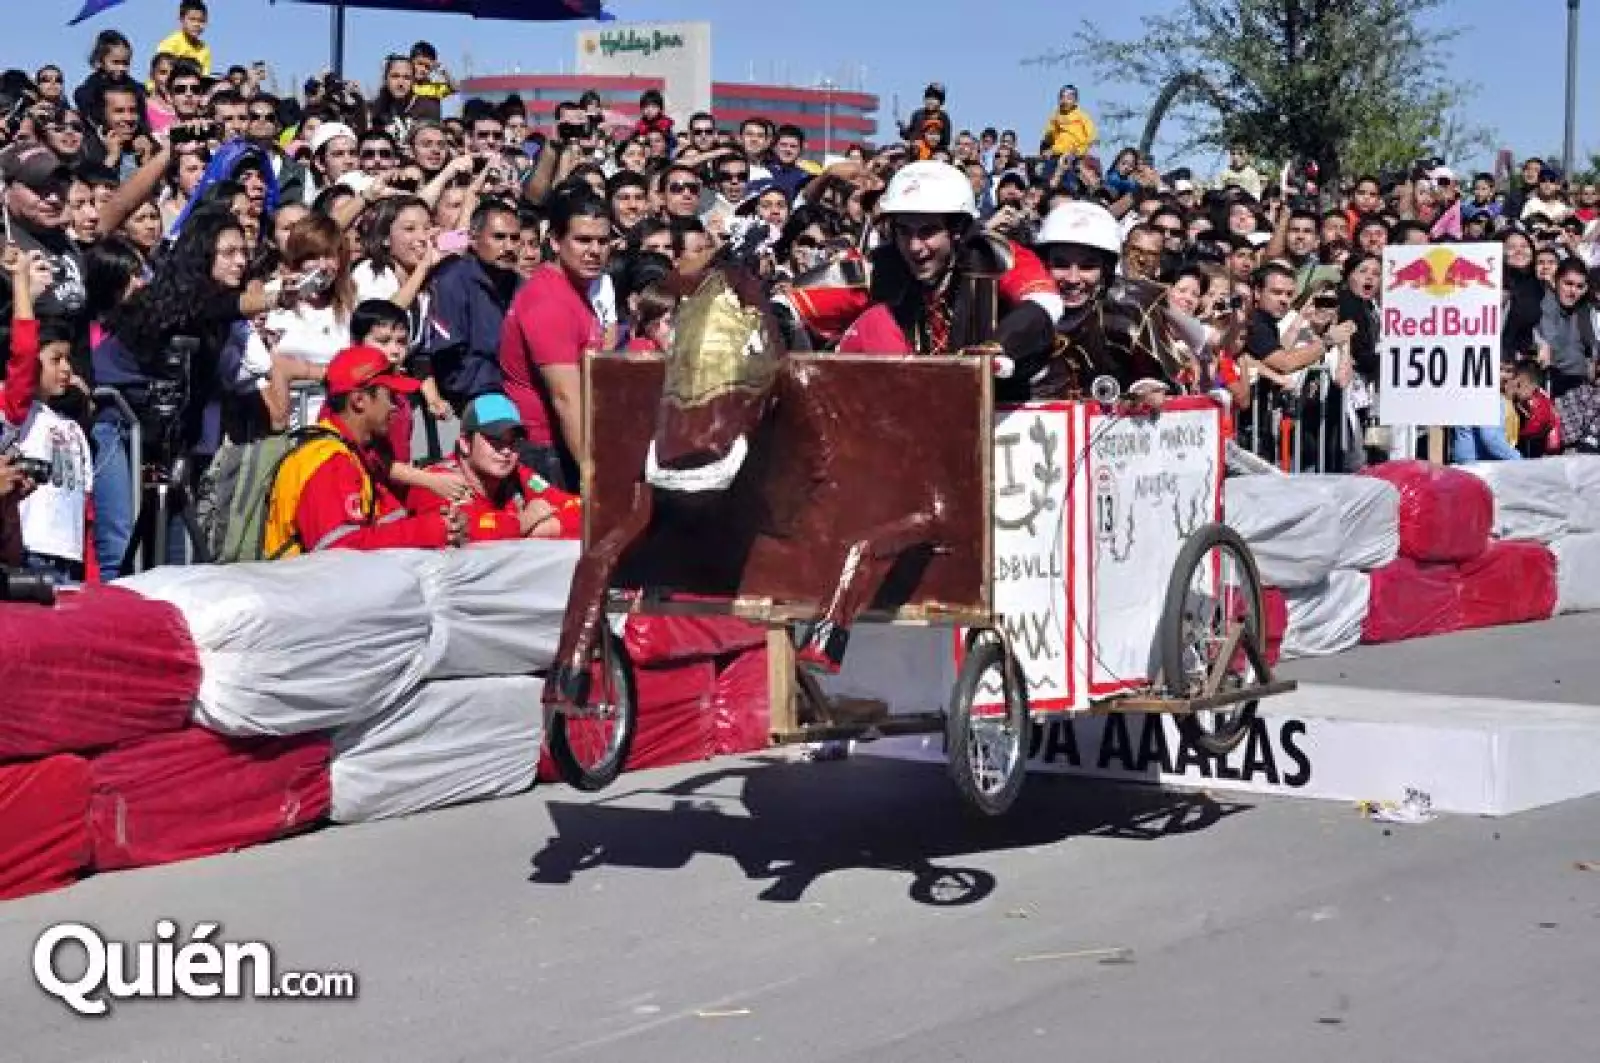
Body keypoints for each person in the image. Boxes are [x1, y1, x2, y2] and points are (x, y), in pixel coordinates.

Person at [836, 161, 1061, 401]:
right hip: (915, 407)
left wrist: (997, 349)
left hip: (997, 404)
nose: (914, 247)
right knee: (874, 321)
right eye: (904, 231)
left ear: (958, 229)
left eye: (927, 231)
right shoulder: (881, 264)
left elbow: (1045, 303)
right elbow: (806, 299)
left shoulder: (996, 256)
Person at [264, 344, 466, 557]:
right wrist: (426, 531)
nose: (395, 406)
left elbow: (388, 523)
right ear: (359, 401)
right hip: (299, 585)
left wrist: (442, 524)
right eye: (389, 396)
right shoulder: (327, 460)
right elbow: (338, 552)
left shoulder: (358, 452)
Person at [499, 191, 610, 489]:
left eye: (602, 241)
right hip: (546, 451)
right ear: (555, 242)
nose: (594, 250)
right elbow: (566, 399)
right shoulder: (549, 301)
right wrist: (597, 477)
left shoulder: (572, 290)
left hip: (562, 445)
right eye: (583, 240)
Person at [2, 247, 93, 584]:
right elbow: (24, 354)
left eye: (69, 360)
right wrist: (21, 283)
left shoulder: (71, 428)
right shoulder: (17, 414)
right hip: (30, 554)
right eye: (55, 360)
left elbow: (85, 512)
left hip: (70, 560)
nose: (67, 369)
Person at [411, 393, 581, 542]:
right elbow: (459, 533)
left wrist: (546, 528)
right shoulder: (435, 483)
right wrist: (522, 522)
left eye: (513, 441)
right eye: (495, 440)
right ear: (464, 443)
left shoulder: (517, 474)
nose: (506, 451)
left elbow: (582, 510)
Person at [155, 0, 213, 82]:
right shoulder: (171, 43)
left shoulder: (204, 49)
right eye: (192, 20)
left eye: (201, 21)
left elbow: (204, 77)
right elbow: (162, 73)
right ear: (181, 19)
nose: (196, 24)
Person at [1039, 85, 1097, 160]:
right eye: (1062, 97)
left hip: (1074, 153)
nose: (1065, 101)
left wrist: (1079, 151)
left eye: (1069, 98)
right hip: (1057, 152)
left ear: (1075, 101)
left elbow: (1092, 136)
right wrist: (1046, 150)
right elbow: (1048, 135)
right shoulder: (1055, 117)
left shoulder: (1082, 116)